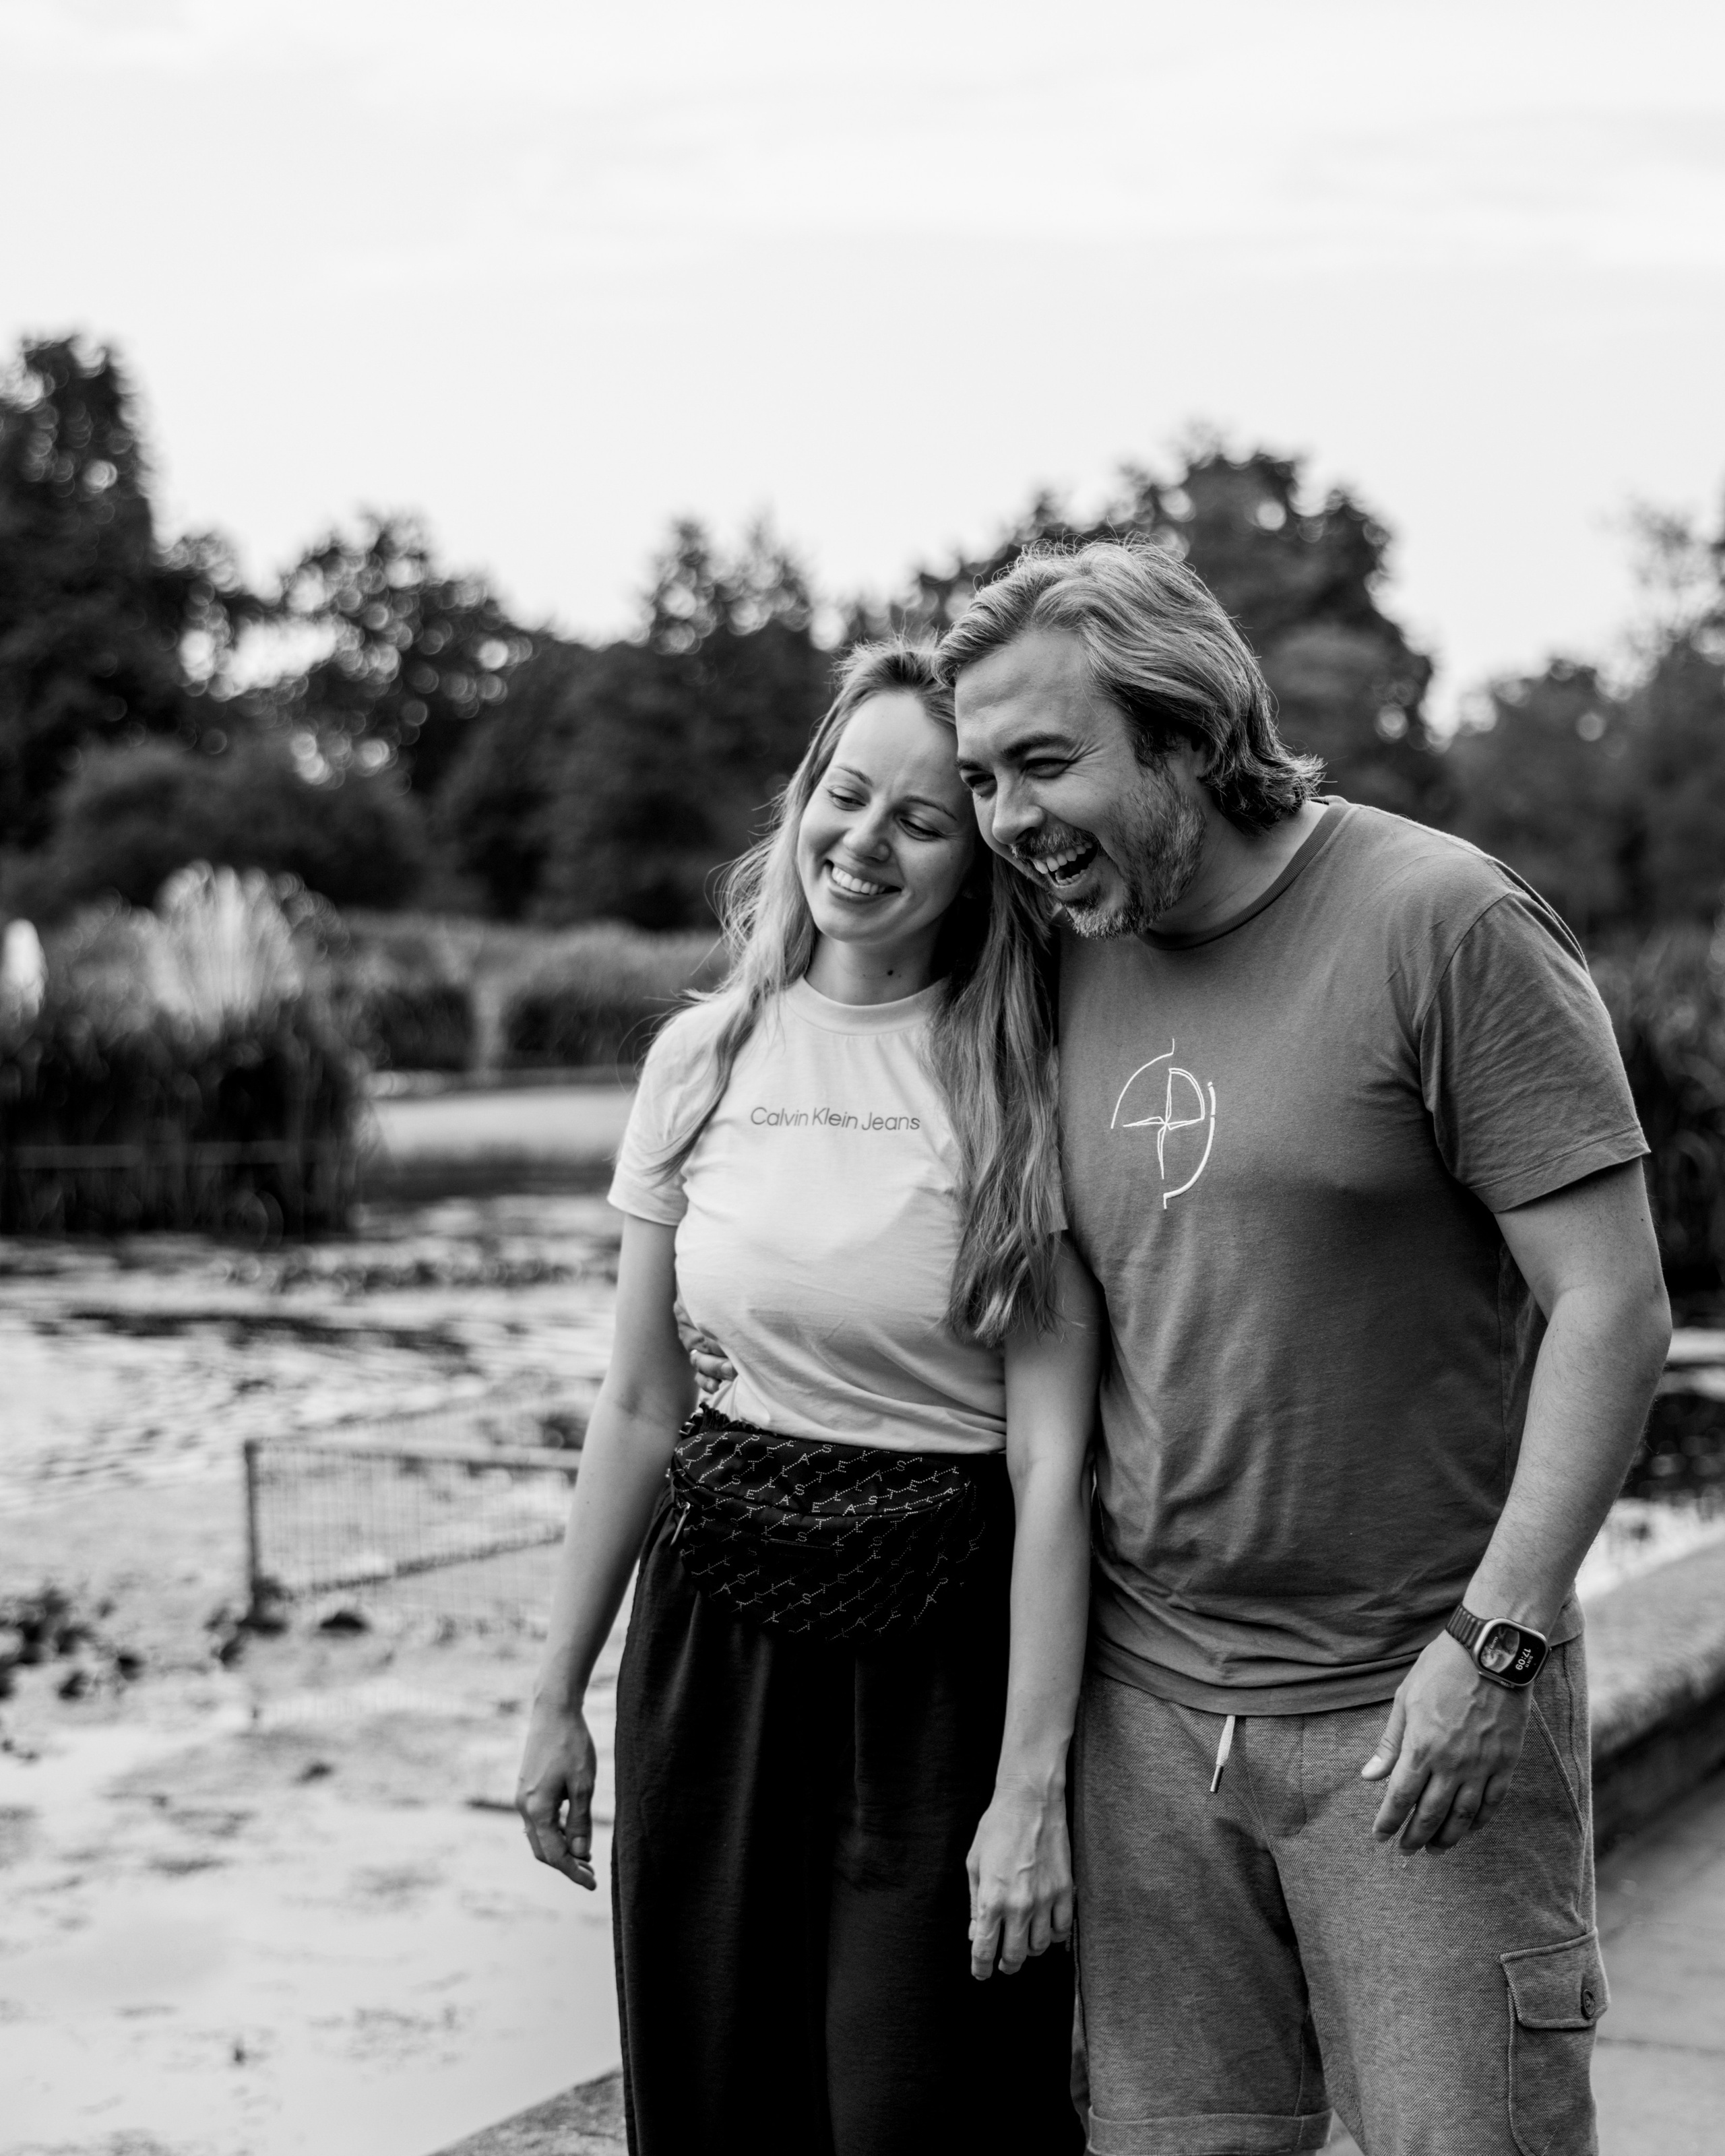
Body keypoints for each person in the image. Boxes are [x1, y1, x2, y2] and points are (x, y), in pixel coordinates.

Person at [941, 542, 1672, 2156]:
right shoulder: (1056, 953)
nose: (1005, 819)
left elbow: (1612, 1308)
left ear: (1190, 736)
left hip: (1413, 1715)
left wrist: (1493, 1649)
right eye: (983, 777)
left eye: (1044, 762)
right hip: (1144, 1733)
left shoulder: (1443, 920)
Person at [515, 640, 1096, 2156]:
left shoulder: (1023, 1076)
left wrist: (1030, 1779)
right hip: (711, 1636)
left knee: (916, 2110)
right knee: (714, 2095)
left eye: (921, 818)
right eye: (845, 795)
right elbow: (641, 1402)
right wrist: (551, 1695)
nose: (865, 842)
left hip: (940, 1649)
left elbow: (1049, 1455)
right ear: (799, 805)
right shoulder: (699, 1058)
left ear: (977, 863)